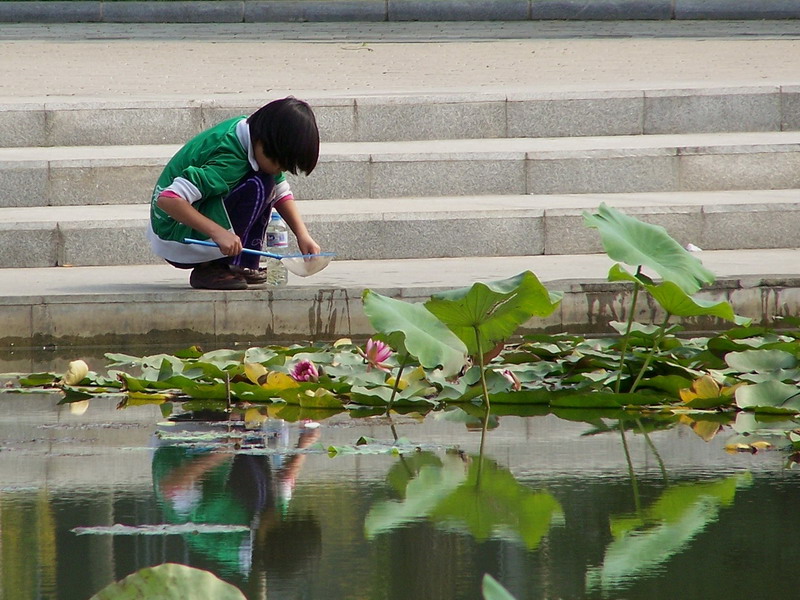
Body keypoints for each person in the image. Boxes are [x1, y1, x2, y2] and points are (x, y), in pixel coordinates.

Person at [147, 96, 322, 290]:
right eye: (278, 163)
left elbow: (281, 192)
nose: (278, 170)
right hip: (174, 233)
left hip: (189, 226)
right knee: (259, 185)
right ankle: (210, 268)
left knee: (266, 182)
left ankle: (238, 263)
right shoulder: (228, 158)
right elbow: (168, 200)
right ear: (264, 143)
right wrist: (218, 233)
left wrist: (302, 235)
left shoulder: (252, 135)